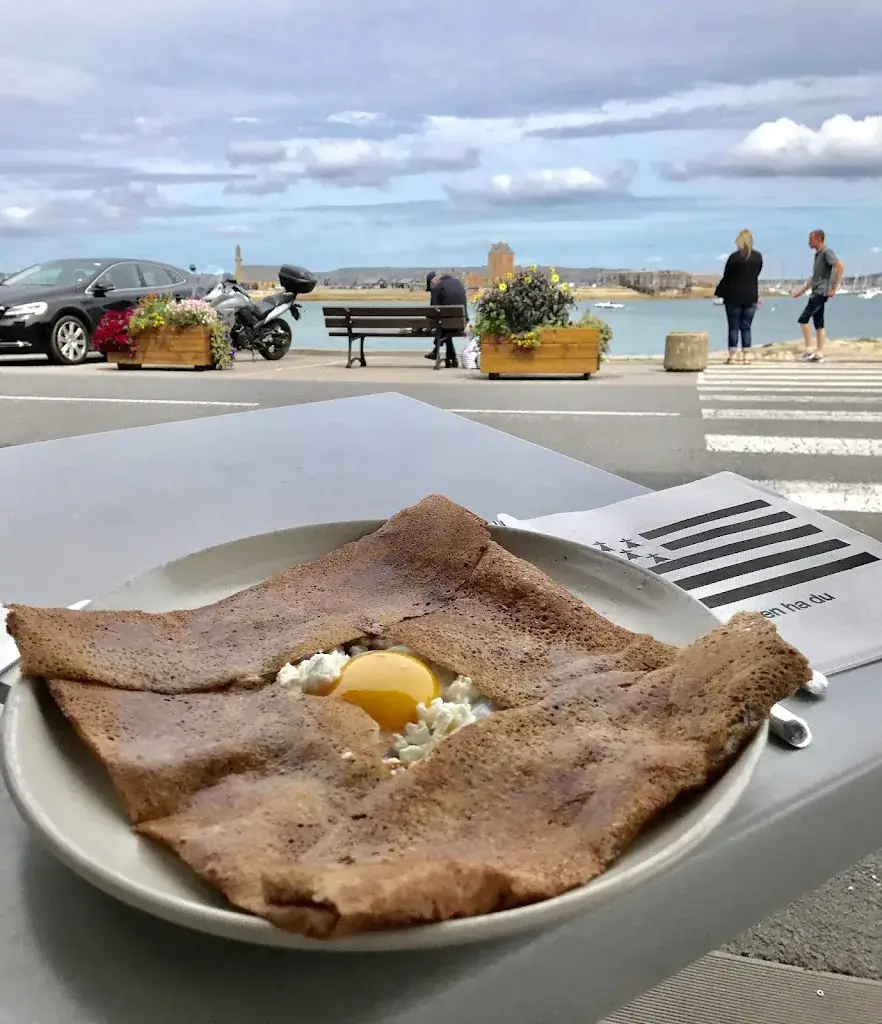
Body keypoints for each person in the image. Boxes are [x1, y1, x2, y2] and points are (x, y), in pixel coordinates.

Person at [792, 230, 844, 363]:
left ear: (819, 239)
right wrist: (801, 291)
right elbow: (814, 278)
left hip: (821, 292)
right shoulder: (817, 255)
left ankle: (809, 349)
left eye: (811, 239)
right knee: (818, 323)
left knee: (803, 319)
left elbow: (840, 266)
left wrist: (833, 288)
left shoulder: (827, 252)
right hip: (816, 291)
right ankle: (819, 352)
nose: (809, 242)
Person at [714, 229, 763, 364]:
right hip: (751, 295)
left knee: (733, 326)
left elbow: (727, 276)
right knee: (746, 327)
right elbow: (756, 274)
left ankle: (732, 355)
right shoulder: (758, 257)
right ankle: (746, 355)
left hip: (733, 296)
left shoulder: (734, 257)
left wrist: (719, 291)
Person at [425, 270, 468, 368]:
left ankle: (437, 352)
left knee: (442, 327)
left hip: (446, 325)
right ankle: (451, 359)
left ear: (432, 282)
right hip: (462, 322)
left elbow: (433, 311)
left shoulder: (437, 287)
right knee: (446, 328)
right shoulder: (458, 283)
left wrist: (423, 327)